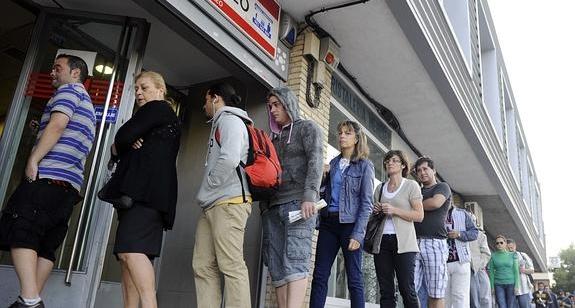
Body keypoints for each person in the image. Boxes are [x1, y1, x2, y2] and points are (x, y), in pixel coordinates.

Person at [0, 54, 95, 308]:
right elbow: (68, 135)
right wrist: (38, 130)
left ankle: (30, 300)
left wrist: (34, 159)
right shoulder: (87, 103)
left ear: (76, 73)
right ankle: (29, 299)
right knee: (45, 244)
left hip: (48, 176)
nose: (52, 73)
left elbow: (58, 126)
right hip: (70, 186)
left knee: (21, 229)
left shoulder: (68, 91)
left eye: (57, 68)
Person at [110, 71, 180, 308]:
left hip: (144, 196)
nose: (139, 92)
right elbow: (121, 144)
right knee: (128, 257)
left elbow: (121, 136)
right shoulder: (164, 117)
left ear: (160, 90)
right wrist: (127, 142)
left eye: (145, 87)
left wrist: (126, 140)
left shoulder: (156, 108)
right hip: (153, 197)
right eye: (137, 88)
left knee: (131, 252)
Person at [261, 86, 323, 308]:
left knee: (295, 260)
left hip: (298, 203)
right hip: (273, 207)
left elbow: (316, 161)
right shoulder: (273, 138)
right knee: (276, 265)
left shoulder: (307, 128)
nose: (273, 110)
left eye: (277, 104)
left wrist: (310, 196)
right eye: (270, 107)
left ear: (289, 104)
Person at [193, 83, 253, 308]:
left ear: (215, 98)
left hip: (229, 203)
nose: (204, 105)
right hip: (213, 204)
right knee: (203, 265)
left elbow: (229, 158)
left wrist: (210, 183)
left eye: (206, 99)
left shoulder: (230, 120)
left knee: (231, 266)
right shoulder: (222, 122)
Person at [310, 120, 374, 308]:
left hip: (350, 225)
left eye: (347, 133)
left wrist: (358, 233)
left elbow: (366, 203)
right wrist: (323, 177)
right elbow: (324, 194)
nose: (342, 136)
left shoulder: (365, 166)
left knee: (354, 277)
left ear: (356, 138)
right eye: (340, 133)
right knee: (320, 275)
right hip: (329, 223)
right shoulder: (333, 163)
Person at [370, 150, 424, 308]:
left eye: (394, 160)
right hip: (381, 242)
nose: (390, 163)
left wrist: (394, 210)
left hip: (404, 244)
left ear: (403, 165)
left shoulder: (411, 185)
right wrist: (377, 210)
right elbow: (375, 214)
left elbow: (419, 215)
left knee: (406, 289)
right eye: (387, 161)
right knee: (386, 290)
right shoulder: (380, 188)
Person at [413, 156, 450, 308]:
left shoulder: (442, 187)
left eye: (425, 169)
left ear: (433, 170)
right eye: (419, 170)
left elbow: (435, 203)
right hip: (413, 243)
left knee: (436, 293)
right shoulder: (416, 190)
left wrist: (414, 205)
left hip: (435, 243)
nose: (422, 172)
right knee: (409, 290)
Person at [443, 203, 478, 307]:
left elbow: (474, 233)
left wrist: (459, 234)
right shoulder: (435, 214)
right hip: (441, 262)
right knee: (444, 298)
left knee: (460, 297)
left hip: (461, 260)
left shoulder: (462, 213)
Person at [488, 234, 520, 308]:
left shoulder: (513, 255)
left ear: (505, 243)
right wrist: (492, 286)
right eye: (497, 243)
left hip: (511, 284)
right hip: (498, 284)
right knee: (502, 306)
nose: (499, 244)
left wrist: (517, 286)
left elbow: (516, 271)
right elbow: (491, 272)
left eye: (501, 242)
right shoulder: (493, 256)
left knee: (510, 306)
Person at [469, 214, 492, 308]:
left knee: (484, 298)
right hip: (465, 269)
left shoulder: (480, 235)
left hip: (479, 269)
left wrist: (479, 265)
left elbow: (486, 253)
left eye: (473, 220)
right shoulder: (459, 234)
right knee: (472, 299)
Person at [507, 238, 534, 308]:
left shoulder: (522, 255)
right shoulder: (504, 257)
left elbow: (532, 270)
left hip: (523, 288)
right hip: (510, 288)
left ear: (515, 246)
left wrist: (523, 270)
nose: (510, 249)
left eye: (511, 247)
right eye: (508, 248)